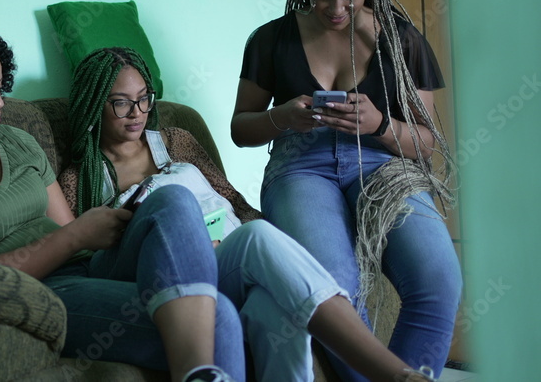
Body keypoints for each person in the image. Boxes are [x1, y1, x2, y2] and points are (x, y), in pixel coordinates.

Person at [0, 21, 246, 382]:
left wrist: (103, 229)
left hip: (89, 266)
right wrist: (75, 236)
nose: (0, 102)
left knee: (173, 198)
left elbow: (73, 237)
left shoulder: (18, 142)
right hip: (39, 293)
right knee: (218, 317)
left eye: (0, 87)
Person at [62, 46, 438, 382]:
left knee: (273, 307)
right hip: (164, 276)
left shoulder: (176, 141)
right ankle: (391, 373)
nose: (137, 113)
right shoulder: (80, 179)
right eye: (121, 103)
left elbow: (233, 201)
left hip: (225, 257)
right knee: (257, 238)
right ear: (94, 104)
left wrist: (270, 253)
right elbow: (88, 257)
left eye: (144, 99)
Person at [231, 0, 461, 381]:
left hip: (384, 167)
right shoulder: (270, 39)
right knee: (332, 288)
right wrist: (282, 118)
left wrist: (380, 125)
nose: (336, 8)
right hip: (300, 167)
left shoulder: (403, 41)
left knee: (439, 281)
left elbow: (425, 142)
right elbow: (241, 129)